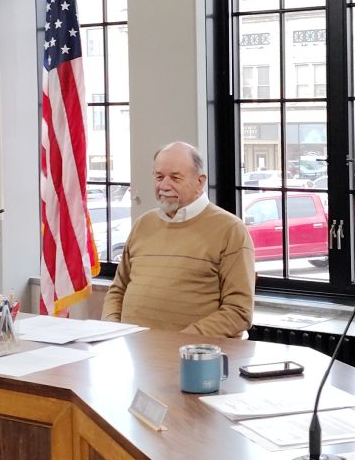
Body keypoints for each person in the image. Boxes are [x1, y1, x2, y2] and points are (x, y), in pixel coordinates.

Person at [102, 142, 254, 337]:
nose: (164, 185)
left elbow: (239, 311)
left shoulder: (230, 230)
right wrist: (113, 330)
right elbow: (117, 290)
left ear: (200, 182)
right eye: (159, 177)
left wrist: (179, 343)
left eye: (175, 177)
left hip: (189, 353)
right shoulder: (143, 224)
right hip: (129, 348)